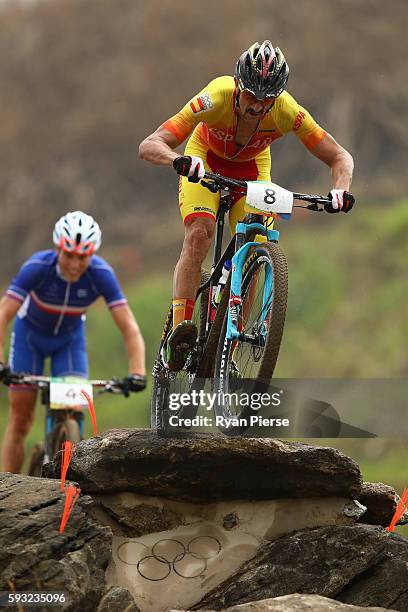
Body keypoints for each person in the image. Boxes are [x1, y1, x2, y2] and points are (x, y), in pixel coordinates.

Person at [139, 40, 355, 371]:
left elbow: (339, 156)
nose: (257, 106)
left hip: (253, 170)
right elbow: (150, 144)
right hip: (204, 160)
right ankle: (179, 333)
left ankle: (232, 337)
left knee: (258, 244)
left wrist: (340, 190)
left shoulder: (287, 111)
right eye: (251, 96)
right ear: (238, 86)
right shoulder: (216, 96)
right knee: (200, 232)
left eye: (266, 100)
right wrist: (178, 160)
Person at [0, 211, 146, 473]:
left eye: (83, 257)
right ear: (58, 248)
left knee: (74, 411)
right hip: (29, 339)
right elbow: (4, 314)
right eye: (69, 255)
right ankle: (5, 487)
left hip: (68, 343)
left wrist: (137, 371)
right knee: (21, 419)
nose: (75, 264)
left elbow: (129, 327)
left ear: (92, 254)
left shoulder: (101, 273)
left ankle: (67, 463)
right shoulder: (38, 267)